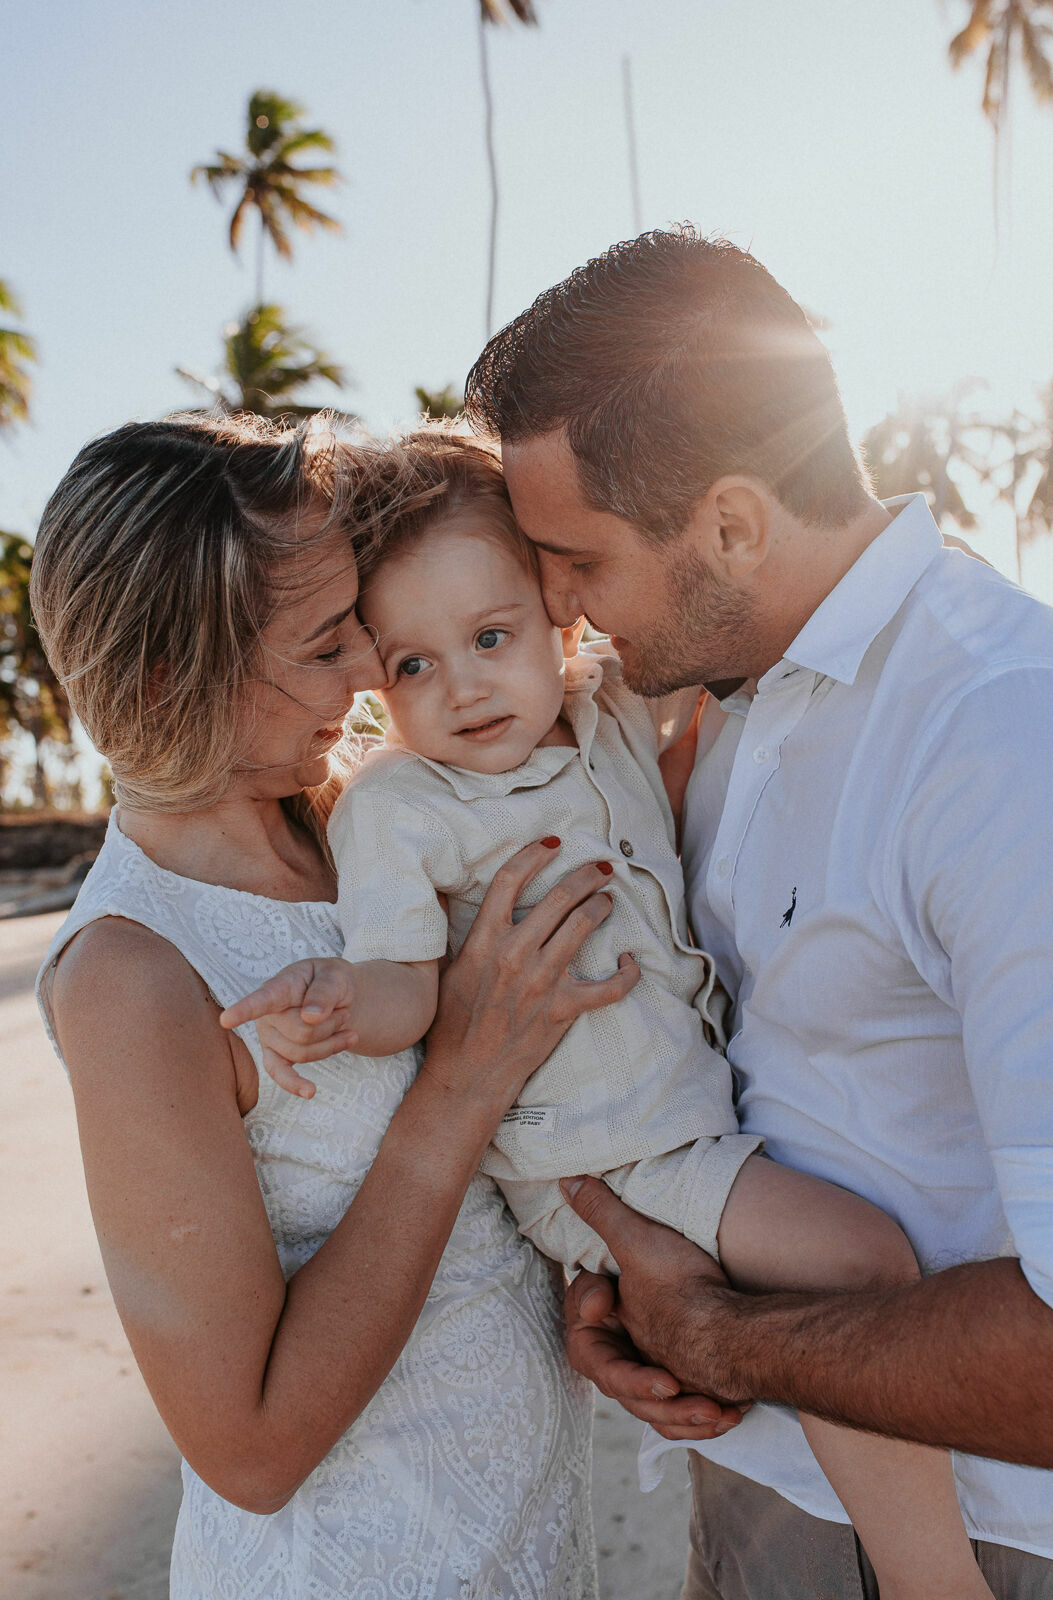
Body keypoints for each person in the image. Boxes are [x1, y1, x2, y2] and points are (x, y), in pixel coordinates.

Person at [226, 426, 990, 1599]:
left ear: (555, 616)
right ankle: (934, 1579)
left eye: (490, 637)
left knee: (824, 1281)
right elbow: (404, 982)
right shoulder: (403, 809)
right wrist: (338, 1002)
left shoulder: (603, 718)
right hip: (603, 1158)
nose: (464, 686)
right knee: (856, 1260)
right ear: (377, 678)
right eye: (414, 666)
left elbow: (713, 639)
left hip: (678, 1123)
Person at [459, 227, 1053, 1598]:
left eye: (576, 559)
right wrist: (628, 1308)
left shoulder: (1009, 740)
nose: (550, 605)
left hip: (995, 1538)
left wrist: (720, 1333)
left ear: (731, 524)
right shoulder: (718, 705)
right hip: (763, 1482)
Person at [29, 411, 641, 1599]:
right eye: (323, 647)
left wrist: (578, 1285)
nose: (371, 671)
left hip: (532, 1544)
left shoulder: (373, 815)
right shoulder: (132, 972)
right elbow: (248, 1446)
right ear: (174, 675)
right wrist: (459, 1080)